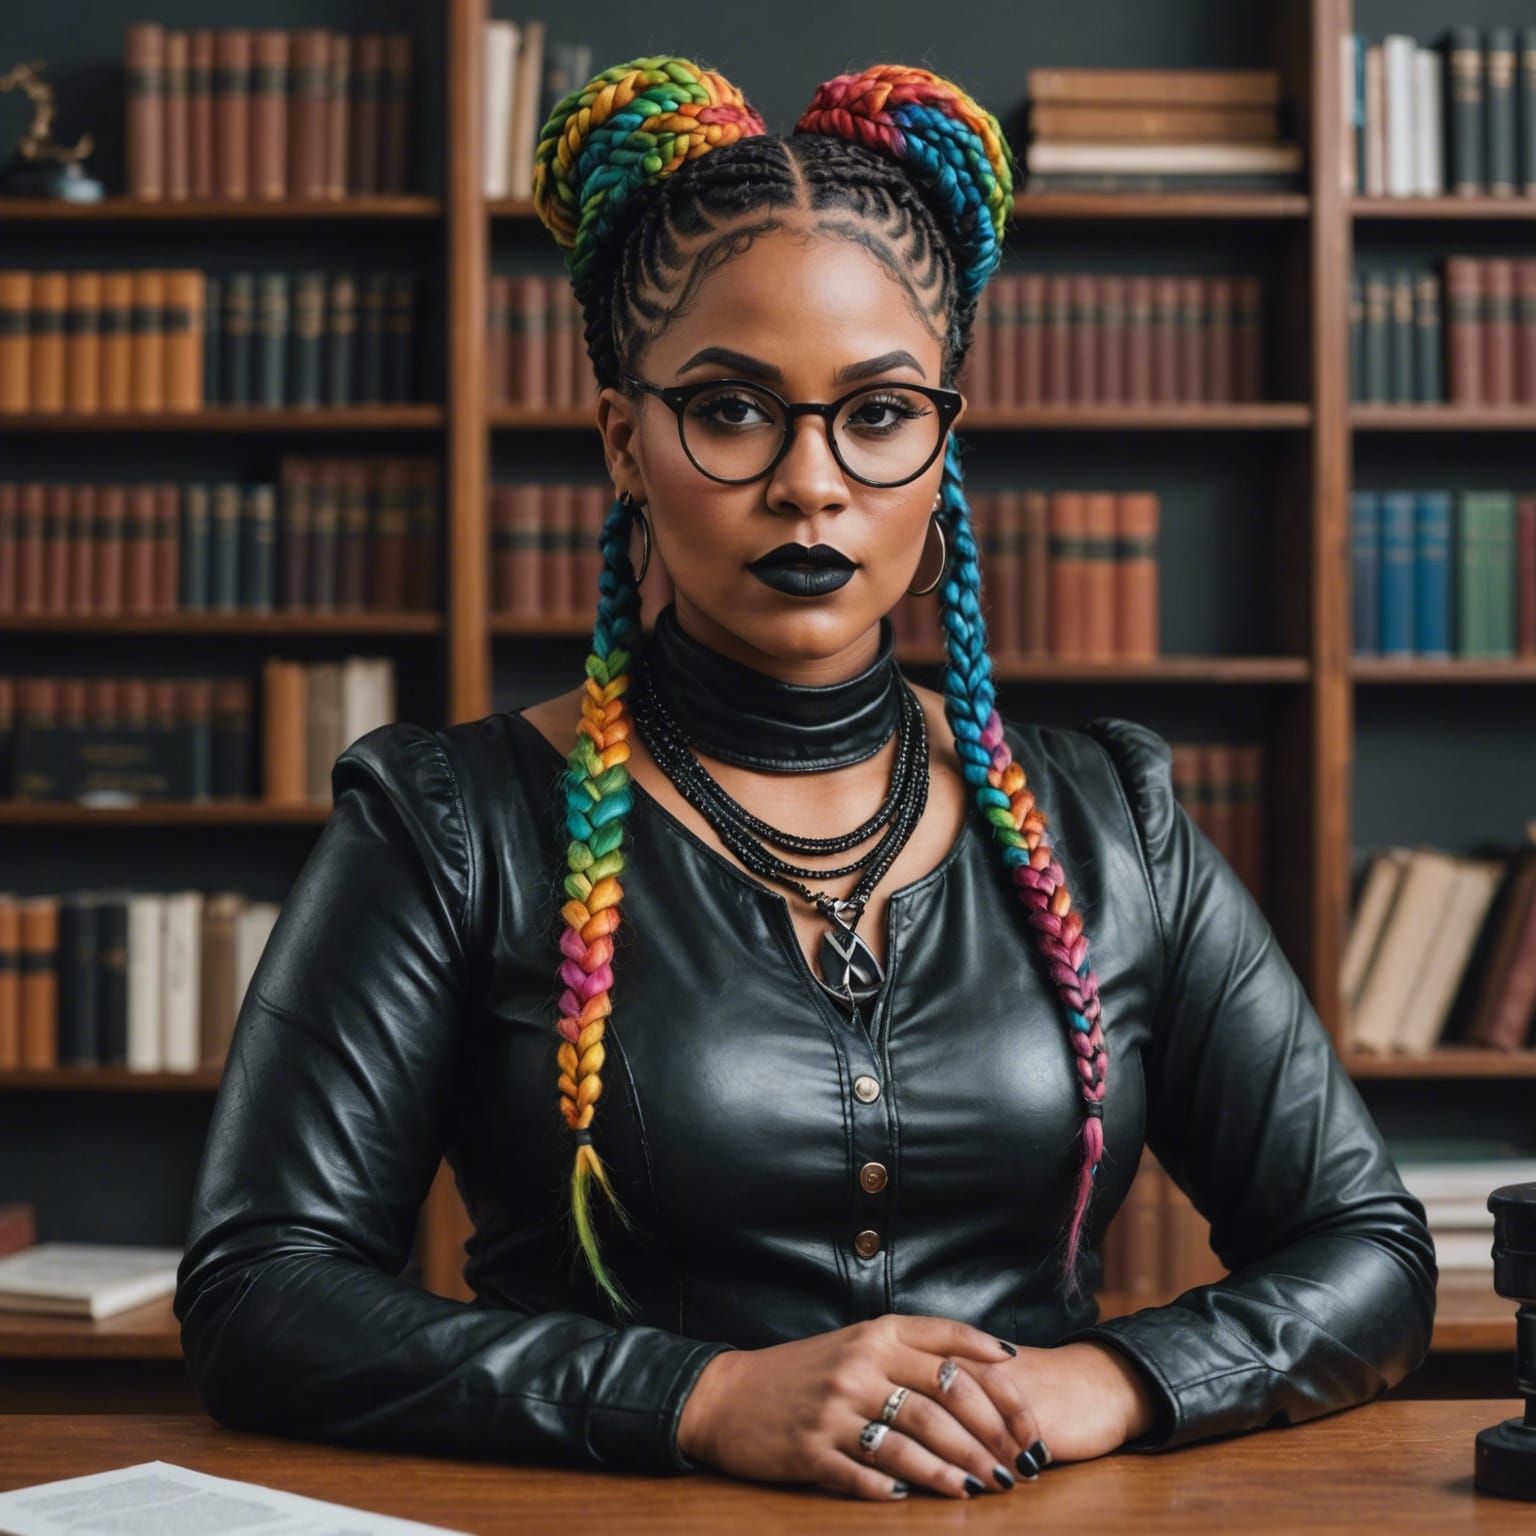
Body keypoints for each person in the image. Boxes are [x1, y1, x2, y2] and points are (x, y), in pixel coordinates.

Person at [173, 55, 1437, 1504]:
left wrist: (1101, 1383)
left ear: (942, 443)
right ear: (623, 443)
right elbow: (260, 1296)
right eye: (730, 409)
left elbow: (1369, 1252)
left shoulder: (1113, 821)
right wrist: (694, 1396)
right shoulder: (449, 828)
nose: (812, 483)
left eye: (881, 413)